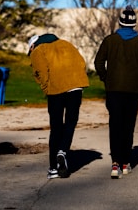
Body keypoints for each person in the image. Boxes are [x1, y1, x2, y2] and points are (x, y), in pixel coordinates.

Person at [94, 5, 138, 179]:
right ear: (135, 24)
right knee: (128, 126)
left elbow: (98, 63)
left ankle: (115, 163)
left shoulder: (109, 40)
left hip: (114, 90)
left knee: (115, 125)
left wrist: (106, 78)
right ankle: (125, 162)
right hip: (133, 91)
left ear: (120, 23)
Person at [28, 33, 89, 179]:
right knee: (70, 123)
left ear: (32, 46)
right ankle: (63, 150)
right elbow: (81, 63)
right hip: (75, 87)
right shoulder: (67, 44)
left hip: (55, 90)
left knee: (56, 127)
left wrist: (46, 88)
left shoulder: (38, 50)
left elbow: (40, 71)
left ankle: (53, 168)